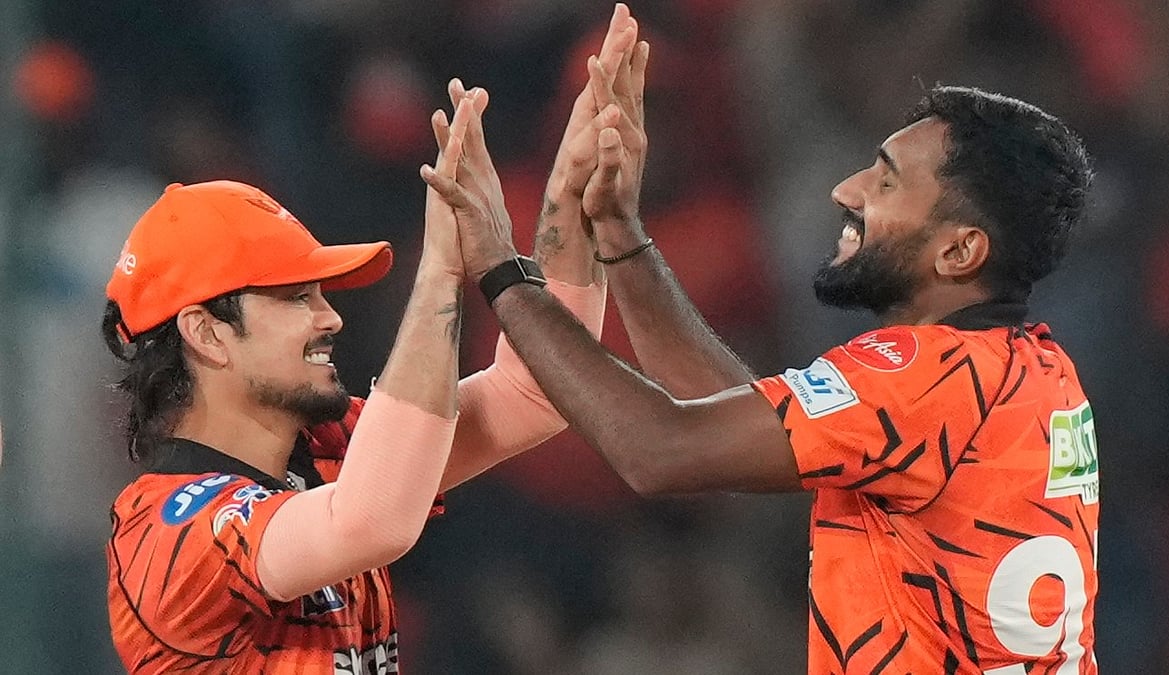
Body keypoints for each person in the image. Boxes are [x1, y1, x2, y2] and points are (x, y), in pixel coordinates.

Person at [423, 26, 1100, 674]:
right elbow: (725, 414)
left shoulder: (920, 379)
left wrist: (499, 268)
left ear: (960, 251)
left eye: (887, 182)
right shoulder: (1039, 373)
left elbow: (658, 450)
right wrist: (618, 229)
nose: (847, 190)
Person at [102, 7, 641, 672]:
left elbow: (540, 391)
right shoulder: (169, 534)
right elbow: (373, 520)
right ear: (206, 332)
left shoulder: (326, 452)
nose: (330, 318)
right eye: (295, 297)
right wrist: (441, 270)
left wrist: (569, 200)